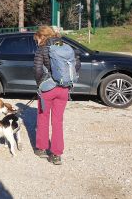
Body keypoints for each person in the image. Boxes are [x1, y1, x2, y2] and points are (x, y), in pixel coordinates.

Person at [33, 26, 81, 165]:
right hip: (63, 89)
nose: (37, 41)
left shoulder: (42, 49)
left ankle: (41, 148)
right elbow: (76, 64)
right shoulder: (65, 45)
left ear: (42, 36)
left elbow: (37, 69)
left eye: (37, 38)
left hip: (48, 89)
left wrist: (39, 84)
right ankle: (56, 155)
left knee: (42, 118)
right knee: (58, 121)